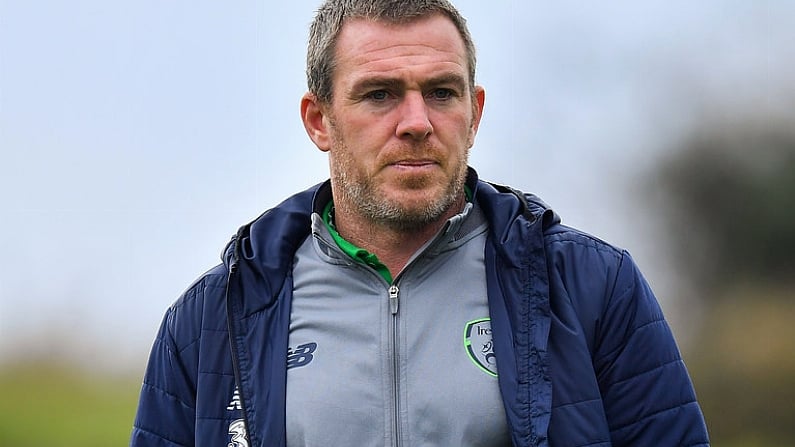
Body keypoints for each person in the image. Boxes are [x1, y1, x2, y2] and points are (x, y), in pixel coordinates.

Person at [131, 0, 710, 446]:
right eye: (379, 94)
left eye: (441, 93)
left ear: (475, 112)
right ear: (319, 121)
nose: (416, 122)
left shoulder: (592, 290)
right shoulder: (213, 320)